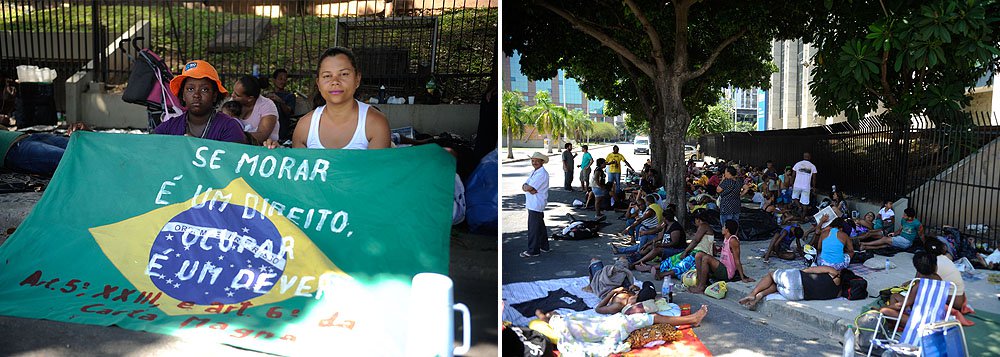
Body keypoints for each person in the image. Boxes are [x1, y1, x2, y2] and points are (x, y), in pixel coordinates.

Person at [271, 47, 390, 150]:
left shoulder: (375, 123)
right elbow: (299, 167)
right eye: (327, 76)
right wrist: (277, 153)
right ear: (318, 83)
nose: (335, 81)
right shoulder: (305, 126)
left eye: (344, 74)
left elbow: (377, 168)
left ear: (357, 79)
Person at [534, 305, 708, 357]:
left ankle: (690, 320)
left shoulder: (566, 320)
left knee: (652, 319)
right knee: (653, 317)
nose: (555, 313)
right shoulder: (562, 324)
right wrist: (544, 315)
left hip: (611, 324)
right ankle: (692, 319)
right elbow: (541, 315)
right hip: (615, 327)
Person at [158, 60, 246, 143]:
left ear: (214, 96)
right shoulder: (169, 128)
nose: (196, 95)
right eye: (190, 89)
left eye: (204, 90)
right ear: (183, 95)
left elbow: (234, 153)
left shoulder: (229, 127)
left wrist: (196, 144)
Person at [689, 220, 754, 294]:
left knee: (706, 258)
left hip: (727, 272)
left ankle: (701, 287)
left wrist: (743, 277)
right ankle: (699, 283)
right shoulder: (726, 238)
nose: (722, 228)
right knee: (699, 254)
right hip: (722, 266)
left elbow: (737, 260)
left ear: (727, 229)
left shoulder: (733, 240)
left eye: (724, 227)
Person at [737, 265, 843, 310]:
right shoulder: (838, 294)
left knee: (771, 275)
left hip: (795, 279)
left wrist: (800, 272)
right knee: (776, 285)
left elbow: (809, 270)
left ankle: (752, 293)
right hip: (795, 295)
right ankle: (759, 297)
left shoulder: (834, 273)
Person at [230, 75, 280, 145]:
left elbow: (262, 136)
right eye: (233, 91)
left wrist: (232, 136)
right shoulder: (232, 102)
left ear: (250, 98)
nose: (232, 95)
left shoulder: (267, 105)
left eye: (237, 95)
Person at [0, 128, 69, 175]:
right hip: (14, 150)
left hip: (26, 136)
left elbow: (4, 128)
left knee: (74, 145)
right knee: (67, 158)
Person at [521, 152, 551, 258]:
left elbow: (528, 187)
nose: (534, 163)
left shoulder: (541, 174)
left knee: (533, 228)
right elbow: (525, 185)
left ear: (542, 162)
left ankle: (533, 250)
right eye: (533, 161)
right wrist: (528, 188)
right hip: (533, 202)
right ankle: (544, 246)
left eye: (537, 161)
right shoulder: (535, 172)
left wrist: (528, 188)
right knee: (539, 225)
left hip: (536, 203)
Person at [267, 68, 297, 141]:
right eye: (280, 79)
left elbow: (288, 112)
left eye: (285, 79)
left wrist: (280, 101)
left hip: (282, 126)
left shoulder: (290, 96)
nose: (283, 82)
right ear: (274, 80)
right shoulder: (268, 95)